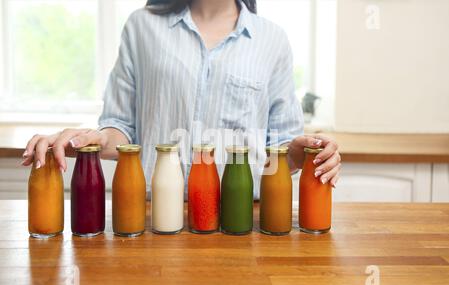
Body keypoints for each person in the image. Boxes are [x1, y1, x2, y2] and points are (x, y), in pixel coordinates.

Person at [22, 0, 341, 196]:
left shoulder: (272, 40)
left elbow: (281, 152)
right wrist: (89, 139)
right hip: (148, 214)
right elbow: (121, 129)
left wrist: (305, 153)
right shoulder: (142, 27)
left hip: (243, 218)